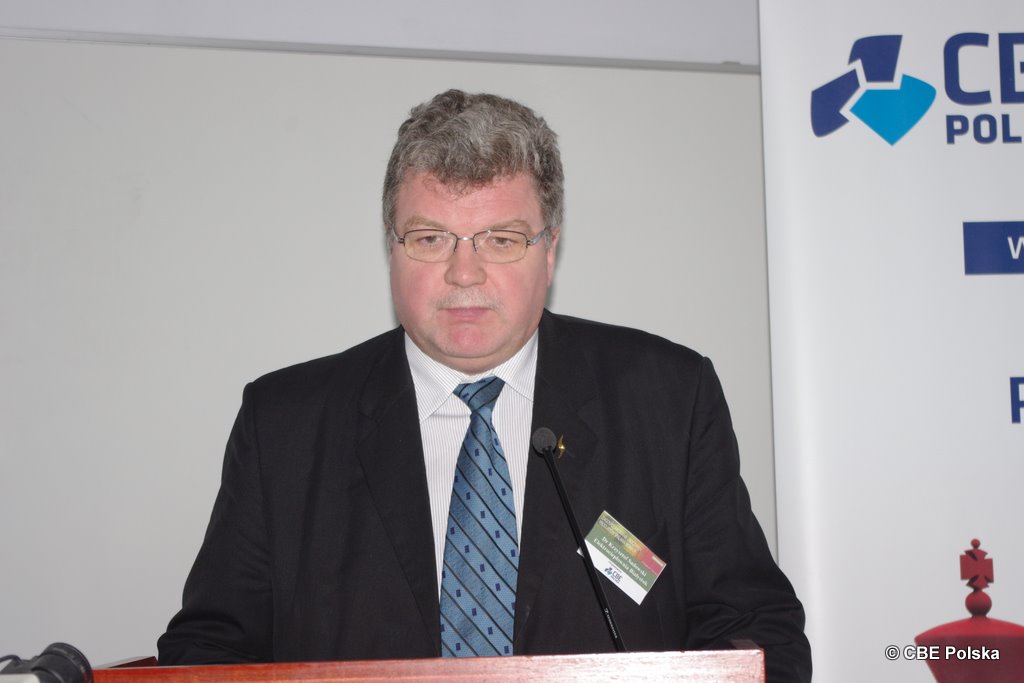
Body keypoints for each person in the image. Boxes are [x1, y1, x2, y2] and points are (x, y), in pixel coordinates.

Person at [158, 89, 811, 681]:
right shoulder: (285, 425)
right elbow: (210, 649)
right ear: (392, 247)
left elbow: (758, 633)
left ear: (549, 250)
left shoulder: (667, 400)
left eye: (501, 239)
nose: (464, 272)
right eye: (430, 238)